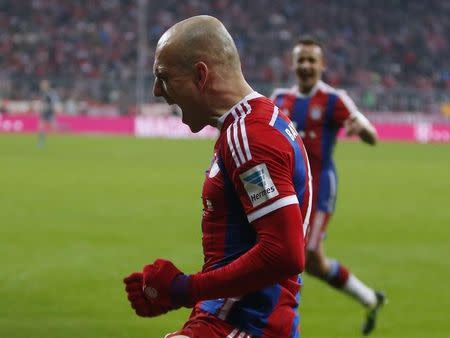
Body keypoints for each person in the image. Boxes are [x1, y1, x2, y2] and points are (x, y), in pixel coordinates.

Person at [123, 15, 312, 338]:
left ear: (200, 75)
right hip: (231, 320)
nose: (157, 91)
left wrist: (185, 288)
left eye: (164, 77)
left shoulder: (250, 138)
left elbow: (284, 253)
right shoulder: (256, 126)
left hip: (243, 325)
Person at [271, 36, 385, 335]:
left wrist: (362, 130)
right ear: (293, 64)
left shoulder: (335, 99)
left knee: (301, 257)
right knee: (313, 263)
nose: (306, 65)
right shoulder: (280, 99)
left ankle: (283, 325)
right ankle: (371, 299)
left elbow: (373, 135)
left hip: (320, 189)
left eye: (312, 60)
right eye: (301, 60)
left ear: (322, 65)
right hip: (286, 188)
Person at [37, 79, 59, 147]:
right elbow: (43, 102)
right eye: (42, 84)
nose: (42, 86)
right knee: (41, 127)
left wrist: (52, 108)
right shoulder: (43, 93)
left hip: (49, 112)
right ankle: (41, 142)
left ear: (47, 85)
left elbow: (54, 101)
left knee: (54, 128)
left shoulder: (50, 93)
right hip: (44, 113)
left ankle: (56, 142)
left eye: (43, 84)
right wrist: (41, 108)